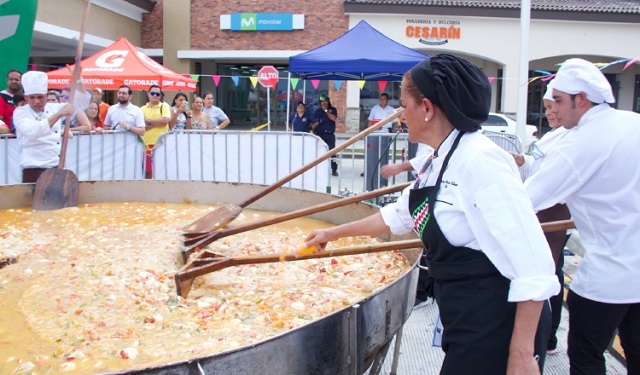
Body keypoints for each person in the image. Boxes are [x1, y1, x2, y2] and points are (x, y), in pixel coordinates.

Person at [305, 54, 559, 374]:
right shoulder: (438, 160)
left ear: (426, 108)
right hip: (466, 319)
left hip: (499, 326)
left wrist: (521, 354)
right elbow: (396, 216)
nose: (399, 114)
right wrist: (331, 233)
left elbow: (535, 265)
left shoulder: (480, 162)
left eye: (403, 104)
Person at [523, 58, 640, 375]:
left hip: (608, 277)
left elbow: (525, 200)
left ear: (583, 99)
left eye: (559, 100)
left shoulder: (577, 143)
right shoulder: (633, 122)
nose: (554, 109)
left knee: (586, 356)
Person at [511, 81, 572, 358]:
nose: (551, 112)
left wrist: (516, 205)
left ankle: (547, 337)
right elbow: (536, 163)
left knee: (549, 272)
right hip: (537, 205)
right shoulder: (550, 136)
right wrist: (519, 159)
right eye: (547, 107)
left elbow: (550, 179)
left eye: (555, 105)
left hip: (554, 208)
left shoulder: (573, 138)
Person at [13, 71, 91, 183]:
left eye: (40, 97)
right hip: (33, 169)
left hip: (56, 165)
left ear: (47, 95)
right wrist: (59, 114)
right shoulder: (20, 112)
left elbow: (80, 104)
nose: (37, 101)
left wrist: (78, 81)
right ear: (25, 97)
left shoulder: (53, 108)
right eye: (32, 98)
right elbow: (33, 131)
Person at [141, 85, 172, 178]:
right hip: (146, 144)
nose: (155, 95)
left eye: (157, 94)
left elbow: (165, 121)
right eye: (153, 93)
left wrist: (149, 121)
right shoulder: (142, 109)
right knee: (147, 172)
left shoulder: (164, 106)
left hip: (160, 144)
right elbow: (141, 125)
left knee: (161, 170)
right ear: (148, 94)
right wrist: (158, 123)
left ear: (161, 95)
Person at [312, 94, 339, 176]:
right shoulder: (317, 112)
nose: (324, 103)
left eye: (325, 101)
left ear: (328, 101)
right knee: (319, 153)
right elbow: (313, 123)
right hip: (320, 134)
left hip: (329, 134)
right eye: (322, 102)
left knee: (332, 153)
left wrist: (326, 111)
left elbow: (333, 118)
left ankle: (334, 169)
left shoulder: (332, 109)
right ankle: (319, 169)